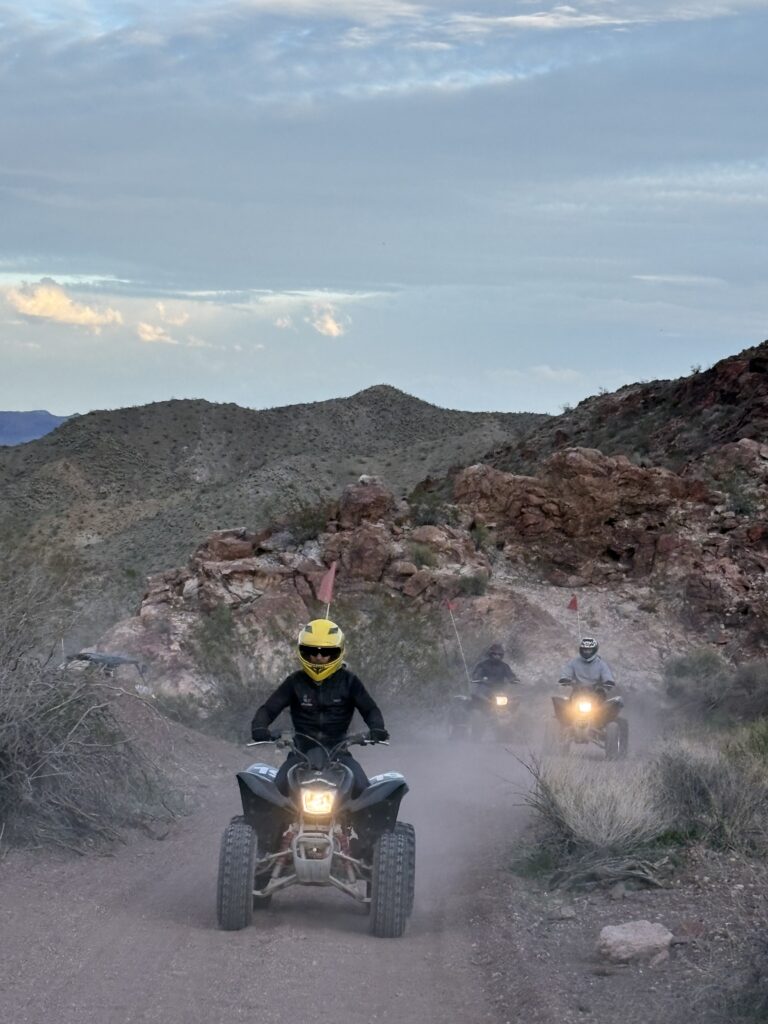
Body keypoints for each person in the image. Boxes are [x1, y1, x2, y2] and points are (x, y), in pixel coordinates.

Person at [250, 617, 388, 797]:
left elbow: (370, 709)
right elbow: (269, 709)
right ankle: (261, 826)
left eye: (326, 652)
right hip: (301, 755)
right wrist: (260, 727)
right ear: (302, 652)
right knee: (274, 795)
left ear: (338, 652)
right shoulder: (295, 682)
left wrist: (377, 729)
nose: (319, 657)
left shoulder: (350, 681)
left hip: (339, 754)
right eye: (312, 651)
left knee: (364, 792)